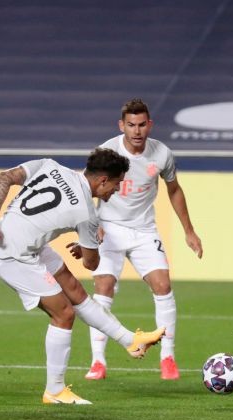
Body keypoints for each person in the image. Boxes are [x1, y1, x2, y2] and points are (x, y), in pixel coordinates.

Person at [0, 148, 166, 405]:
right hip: (12, 256)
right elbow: (92, 264)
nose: (116, 191)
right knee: (64, 314)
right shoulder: (87, 214)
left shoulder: (50, 165)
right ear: (102, 180)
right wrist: (88, 247)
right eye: (116, 184)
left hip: (19, 241)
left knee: (74, 290)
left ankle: (130, 341)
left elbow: (5, 177)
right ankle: (54, 390)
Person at [83, 98, 203, 381]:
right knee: (104, 287)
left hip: (144, 230)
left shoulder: (161, 153)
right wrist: (92, 225)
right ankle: (98, 361)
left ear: (149, 125)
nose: (136, 131)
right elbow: (85, 188)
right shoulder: (107, 152)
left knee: (163, 285)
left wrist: (189, 230)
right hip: (109, 228)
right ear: (121, 125)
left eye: (141, 125)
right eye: (131, 125)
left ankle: (168, 357)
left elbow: (174, 190)